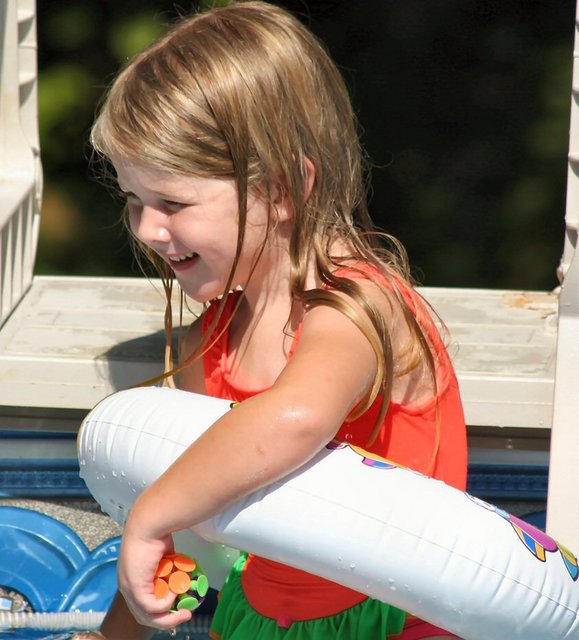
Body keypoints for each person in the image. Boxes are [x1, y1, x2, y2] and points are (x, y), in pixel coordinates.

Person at [77, 2, 468, 638]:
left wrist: (150, 514)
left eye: (171, 202)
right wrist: (112, 635)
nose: (146, 228)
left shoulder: (359, 310)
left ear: (282, 190)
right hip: (256, 621)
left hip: (393, 624)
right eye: (133, 200)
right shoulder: (214, 343)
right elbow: (196, 535)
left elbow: (299, 418)